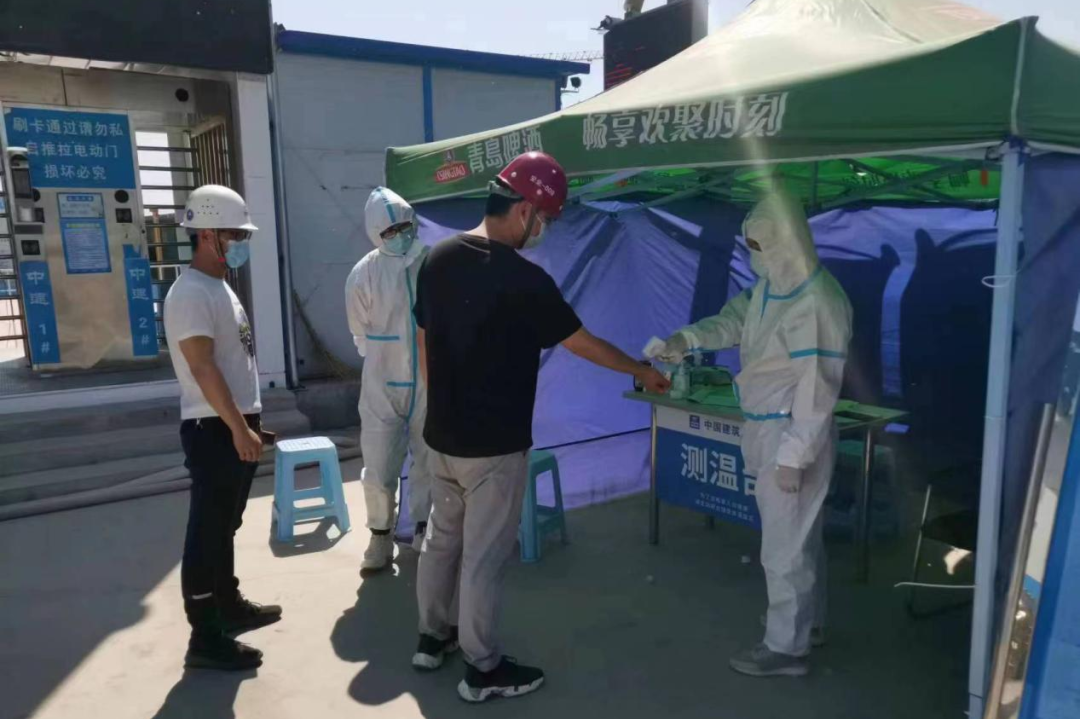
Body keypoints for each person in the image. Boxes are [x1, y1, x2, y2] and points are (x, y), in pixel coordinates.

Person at [410, 151, 670, 703]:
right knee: (482, 558)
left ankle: (432, 638)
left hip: (442, 436)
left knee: (441, 541)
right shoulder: (526, 280)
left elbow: (424, 338)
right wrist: (641, 371)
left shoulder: (436, 258)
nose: (543, 229)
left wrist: (441, 406)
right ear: (525, 209)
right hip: (494, 446)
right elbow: (582, 343)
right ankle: (482, 668)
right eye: (545, 218)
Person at [655, 189, 852, 678]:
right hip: (768, 426)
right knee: (798, 539)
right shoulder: (771, 288)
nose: (754, 256)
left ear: (788, 241)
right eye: (751, 246)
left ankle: (785, 649)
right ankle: (807, 624)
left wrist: (793, 455)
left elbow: (818, 389)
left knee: (784, 547)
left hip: (791, 433)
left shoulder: (818, 302)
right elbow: (732, 321)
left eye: (761, 246)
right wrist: (687, 339)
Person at [164, 185, 282, 671]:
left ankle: (227, 605)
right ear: (207, 234)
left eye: (242, 235)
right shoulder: (190, 292)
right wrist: (237, 427)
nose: (240, 243)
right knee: (207, 532)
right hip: (213, 427)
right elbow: (202, 367)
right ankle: (205, 636)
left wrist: (250, 422)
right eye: (234, 234)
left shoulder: (219, 286)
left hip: (230, 422)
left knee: (225, 526)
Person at [345, 187, 433, 573]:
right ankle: (380, 536)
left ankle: (425, 529)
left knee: (429, 461)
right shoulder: (363, 274)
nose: (399, 235)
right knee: (379, 467)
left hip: (428, 381)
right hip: (382, 387)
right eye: (390, 231)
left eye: (404, 227)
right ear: (375, 233)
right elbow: (360, 333)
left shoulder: (431, 262)